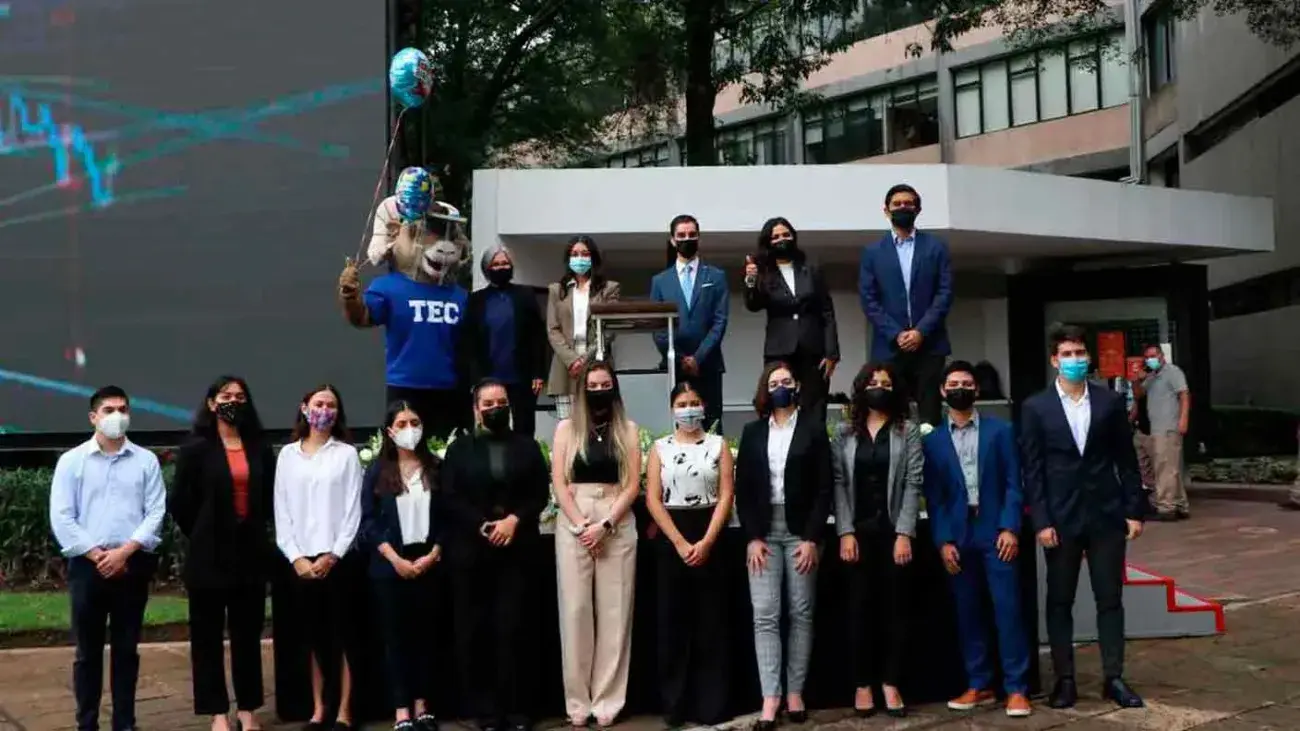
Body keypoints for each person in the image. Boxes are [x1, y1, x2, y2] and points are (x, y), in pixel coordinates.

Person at [1020, 324, 1147, 710]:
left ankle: (1114, 677)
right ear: (1054, 360)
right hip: (1060, 519)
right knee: (1060, 600)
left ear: (1088, 357)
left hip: (1106, 515)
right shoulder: (1036, 407)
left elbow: (1126, 461)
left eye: (1080, 353)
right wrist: (1041, 520)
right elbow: (1033, 470)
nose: (1074, 360)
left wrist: (1134, 510)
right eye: (1067, 354)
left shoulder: (1109, 402)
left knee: (1110, 598)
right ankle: (1065, 679)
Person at [48, 385, 166, 731]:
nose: (117, 416)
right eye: (109, 410)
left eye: (123, 409)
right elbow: (62, 516)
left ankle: (124, 723)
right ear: (93, 417)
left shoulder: (145, 461)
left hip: (132, 564)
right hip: (88, 567)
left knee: (126, 651)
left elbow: (155, 512)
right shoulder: (72, 462)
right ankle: (87, 723)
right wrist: (95, 553)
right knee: (87, 653)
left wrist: (125, 551)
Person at [920, 361, 1032, 718]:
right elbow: (935, 497)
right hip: (958, 533)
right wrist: (943, 541)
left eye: (966, 383)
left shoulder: (1001, 431)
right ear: (943, 391)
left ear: (977, 389)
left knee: (1007, 609)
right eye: (953, 383)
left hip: (995, 529)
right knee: (968, 612)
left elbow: (1015, 483)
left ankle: (1016, 688)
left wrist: (1010, 527)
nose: (960, 389)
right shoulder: (933, 441)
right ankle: (979, 683)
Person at [441, 379, 551, 731]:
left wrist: (514, 520)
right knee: (478, 631)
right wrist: (483, 525)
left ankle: (518, 711)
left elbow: (540, 493)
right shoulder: (459, 450)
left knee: (515, 629)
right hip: (473, 553)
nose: (495, 408)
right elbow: (450, 496)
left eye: (501, 402)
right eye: (487, 404)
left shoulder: (527, 446)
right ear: (476, 410)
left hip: (518, 551)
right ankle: (485, 712)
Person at [170, 376, 277, 731]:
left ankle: (248, 709)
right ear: (212, 403)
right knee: (207, 637)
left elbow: (270, 499)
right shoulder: (196, 448)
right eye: (226, 396)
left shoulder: (259, 447)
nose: (233, 402)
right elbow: (180, 503)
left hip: (250, 555)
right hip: (208, 557)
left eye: (240, 396)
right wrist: (203, 531)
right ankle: (217, 712)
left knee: (247, 636)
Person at [734, 362, 832, 730]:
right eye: (774, 382)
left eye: (786, 381)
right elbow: (744, 489)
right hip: (763, 534)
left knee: (801, 612)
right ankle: (770, 697)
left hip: (801, 533)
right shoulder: (752, 432)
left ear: (797, 386)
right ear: (765, 388)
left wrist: (812, 538)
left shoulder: (813, 428)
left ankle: (795, 693)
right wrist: (752, 537)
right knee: (765, 614)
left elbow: (824, 487)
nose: (780, 387)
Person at [550, 361, 641, 728]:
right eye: (593, 385)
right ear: (582, 389)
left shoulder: (628, 429)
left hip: (615, 518)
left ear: (614, 388)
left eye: (606, 384)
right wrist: (581, 525)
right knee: (575, 613)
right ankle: (577, 703)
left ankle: (607, 701)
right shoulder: (565, 429)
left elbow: (633, 484)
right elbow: (559, 482)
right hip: (575, 518)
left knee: (615, 613)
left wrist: (605, 525)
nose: (599, 390)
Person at [831, 362, 922, 718]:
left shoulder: (906, 430)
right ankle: (862, 684)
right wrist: (845, 531)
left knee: (895, 610)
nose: (879, 388)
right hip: (857, 533)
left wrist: (904, 532)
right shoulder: (844, 432)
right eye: (873, 382)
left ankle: (891, 682)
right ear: (861, 388)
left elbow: (913, 482)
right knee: (858, 610)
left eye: (886, 383)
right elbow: (838, 482)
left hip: (893, 531)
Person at [644, 381, 736, 726]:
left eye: (694, 402)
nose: (689, 409)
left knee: (711, 622)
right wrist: (680, 543)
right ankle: (675, 704)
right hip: (673, 538)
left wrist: (707, 541)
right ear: (672, 410)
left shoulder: (718, 445)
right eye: (682, 404)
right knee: (674, 622)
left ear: (704, 406)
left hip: (710, 533)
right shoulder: (659, 448)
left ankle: (712, 703)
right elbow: (653, 499)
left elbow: (726, 495)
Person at [273, 384, 364, 730]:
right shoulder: (287, 455)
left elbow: (353, 511)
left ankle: (344, 710)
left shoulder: (347, 455)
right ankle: (318, 708)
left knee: (343, 636)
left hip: (338, 559)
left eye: (331, 405)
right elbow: (281, 510)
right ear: (304, 408)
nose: (324, 410)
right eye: (318, 403)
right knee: (311, 638)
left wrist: (334, 554)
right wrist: (296, 557)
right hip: (300, 562)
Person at [338, 204, 470, 439]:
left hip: (450, 387)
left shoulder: (460, 295)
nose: (443, 245)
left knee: (447, 450)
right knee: (404, 448)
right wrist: (350, 297)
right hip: (405, 385)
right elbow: (363, 317)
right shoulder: (389, 287)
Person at [357, 401, 444, 731]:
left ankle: (423, 706)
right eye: (402, 423)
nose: (410, 429)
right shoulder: (378, 471)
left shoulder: (436, 467)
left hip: (428, 562)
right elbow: (368, 520)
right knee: (395, 639)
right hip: (390, 565)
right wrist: (394, 559)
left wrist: (434, 553)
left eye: (415, 422)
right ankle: (401, 710)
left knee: (426, 637)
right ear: (390, 431)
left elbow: (448, 516)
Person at [857, 183, 954, 427]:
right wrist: (896, 333)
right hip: (889, 347)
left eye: (908, 204)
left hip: (929, 345)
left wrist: (921, 331)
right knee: (888, 412)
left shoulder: (936, 248)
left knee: (930, 415)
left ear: (918, 210)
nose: (903, 208)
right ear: (886, 210)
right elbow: (869, 299)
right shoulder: (872, 252)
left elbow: (944, 293)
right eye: (897, 204)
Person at [743, 218, 840, 424]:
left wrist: (831, 352)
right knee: (780, 403)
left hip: (813, 350)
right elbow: (753, 305)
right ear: (768, 241)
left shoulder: (811, 269)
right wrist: (751, 280)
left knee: (814, 406)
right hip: (779, 349)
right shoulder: (764, 272)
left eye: (786, 235)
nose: (782, 239)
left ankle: (814, 444)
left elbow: (827, 311)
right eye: (776, 237)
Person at [650, 214, 730, 433]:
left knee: (712, 424)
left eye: (692, 234)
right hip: (674, 366)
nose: (687, 239)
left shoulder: (716, 276)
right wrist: (680, 358)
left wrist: (698, 358)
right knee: (676, 426)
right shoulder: (660, 281)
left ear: (699, 238)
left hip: (708, 364)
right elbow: (657, 326)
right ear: (672, 240)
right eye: (682, 235)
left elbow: (720, 321)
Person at [465, 245, 548, 437]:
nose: (501, 267)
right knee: (490, 426)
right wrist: (474, 378)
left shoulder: (525, 295)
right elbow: (470, 341)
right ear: (487, 268)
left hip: (521, 375)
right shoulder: (476, 300)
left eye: (505, 263)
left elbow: (537, 335)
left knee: (524, 427)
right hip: (489, 376)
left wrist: (538, 372)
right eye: (496, 264)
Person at [547, 236, 621, 419]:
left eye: (585, 254)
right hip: (566, 363)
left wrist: (585, 359)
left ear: (593, 257)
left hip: (596, 357)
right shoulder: (557, 290)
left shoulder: (609, 289)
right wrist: (572, 360)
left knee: (598, 419)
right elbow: (553, 329)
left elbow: (609, 329)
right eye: (574, 254)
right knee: (567, 424)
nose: (579, 258)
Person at [1133, 344, 1191, 520]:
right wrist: (1136, 380)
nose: (1151, 359)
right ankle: (1180, 504)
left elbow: (1184, 395)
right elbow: (1139, 394)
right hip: (1155, 428)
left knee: (1165, 468)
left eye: (1153, 355)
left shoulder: (1173, 372)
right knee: (1171, 467)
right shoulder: (1151, 376)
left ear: (1161, 355)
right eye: (1147, 357)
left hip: (1168, 427)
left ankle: (1166, 507)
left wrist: (1183, 419)